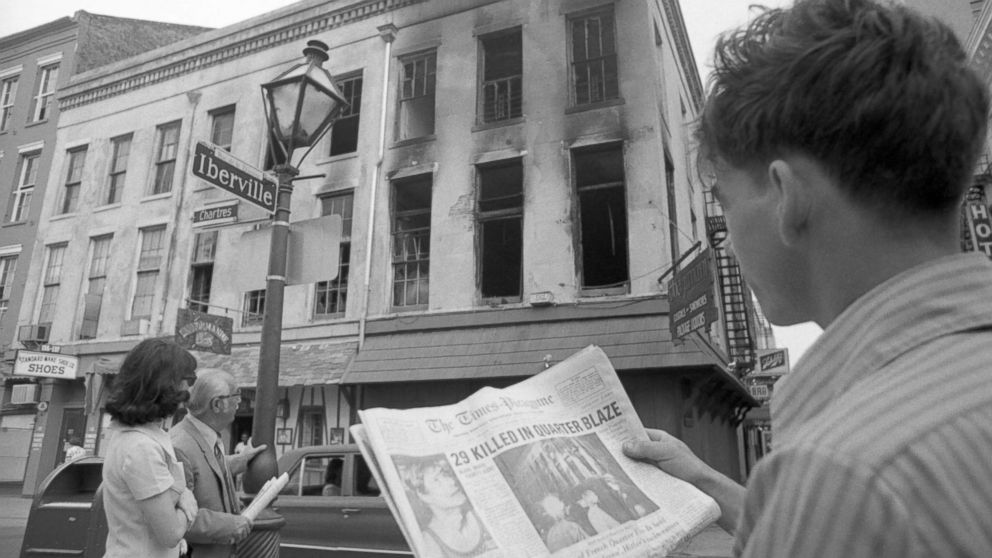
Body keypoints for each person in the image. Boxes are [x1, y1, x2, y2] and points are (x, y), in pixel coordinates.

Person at [622, 1, 992, 556]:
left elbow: (842, 497)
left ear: (787, 197)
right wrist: (701, 478)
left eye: (724, 202)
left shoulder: (842, 472)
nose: (726, 234)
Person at [101, 338, 200, 558]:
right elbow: (171, 533)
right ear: (165, 383)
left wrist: (181, 492)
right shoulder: (141, 447)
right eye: (189, 379)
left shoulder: (133, 436)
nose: (189, 389)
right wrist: (188, 504)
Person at [171, 368, 266, 558]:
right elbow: (173, 519)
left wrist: (240, 461)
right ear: (217, 404)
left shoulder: (207, 435)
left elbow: (206, 469)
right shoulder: (180, 446)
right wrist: (229, 524)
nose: (239, 404)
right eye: (236, 397)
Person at [401, 457, 497, 557]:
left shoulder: (481, 514)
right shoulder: (429, 542)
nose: (451, 482)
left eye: (446, 474)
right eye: (436, 480)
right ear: (423, 495)